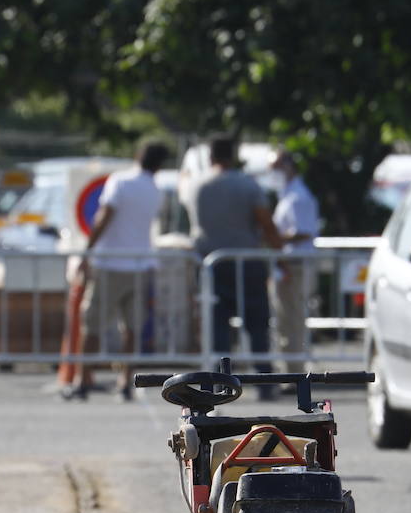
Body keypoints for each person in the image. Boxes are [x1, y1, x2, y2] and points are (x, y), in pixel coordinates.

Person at [64, 139, 171, 402]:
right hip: (140, 264)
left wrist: (87, 251)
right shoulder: (156, 191)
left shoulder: (120, 182)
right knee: (132, 328)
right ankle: (126, 380)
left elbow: (104, 216)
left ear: (137, 156)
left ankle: (83, 379)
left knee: (93, 324)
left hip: (111, 263)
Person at [183, 135, 284, 395]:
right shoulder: (247, 185)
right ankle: (264, 384)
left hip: (210, 266)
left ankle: (220, 386)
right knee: (257, 325)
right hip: (246, 263)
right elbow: (265, 222)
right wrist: (280, 255)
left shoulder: (196, 185)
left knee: (217, 329)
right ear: (233, 156)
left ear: (210, 157)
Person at [267, 150, 320, 370]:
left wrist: (273, 237)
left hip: (294, 264)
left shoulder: (298, 196)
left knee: (291, 319)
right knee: (285, 319)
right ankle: (291, 369)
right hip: (288, 263)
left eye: (276, 167)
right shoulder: (289, 194)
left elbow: (304, 231)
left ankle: (294, 371)